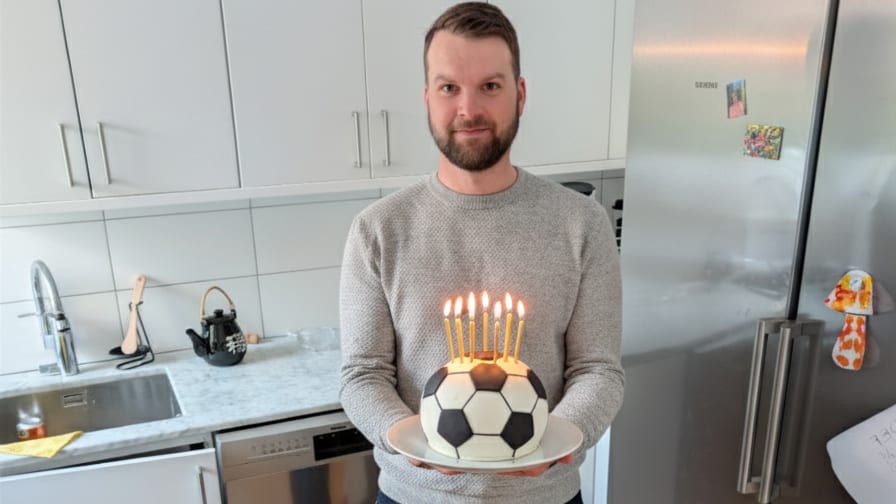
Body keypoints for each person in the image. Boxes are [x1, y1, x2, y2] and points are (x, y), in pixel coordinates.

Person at [339, 3, 624, 503]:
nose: (468, 109)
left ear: (520, 94)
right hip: (413, 497)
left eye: (490, 86)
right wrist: (416, 443)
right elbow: (363, 375)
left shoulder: (582, 223)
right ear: (428, 99)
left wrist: (555, 443)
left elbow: (598, 370)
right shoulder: (378, 231)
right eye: (449, 88)